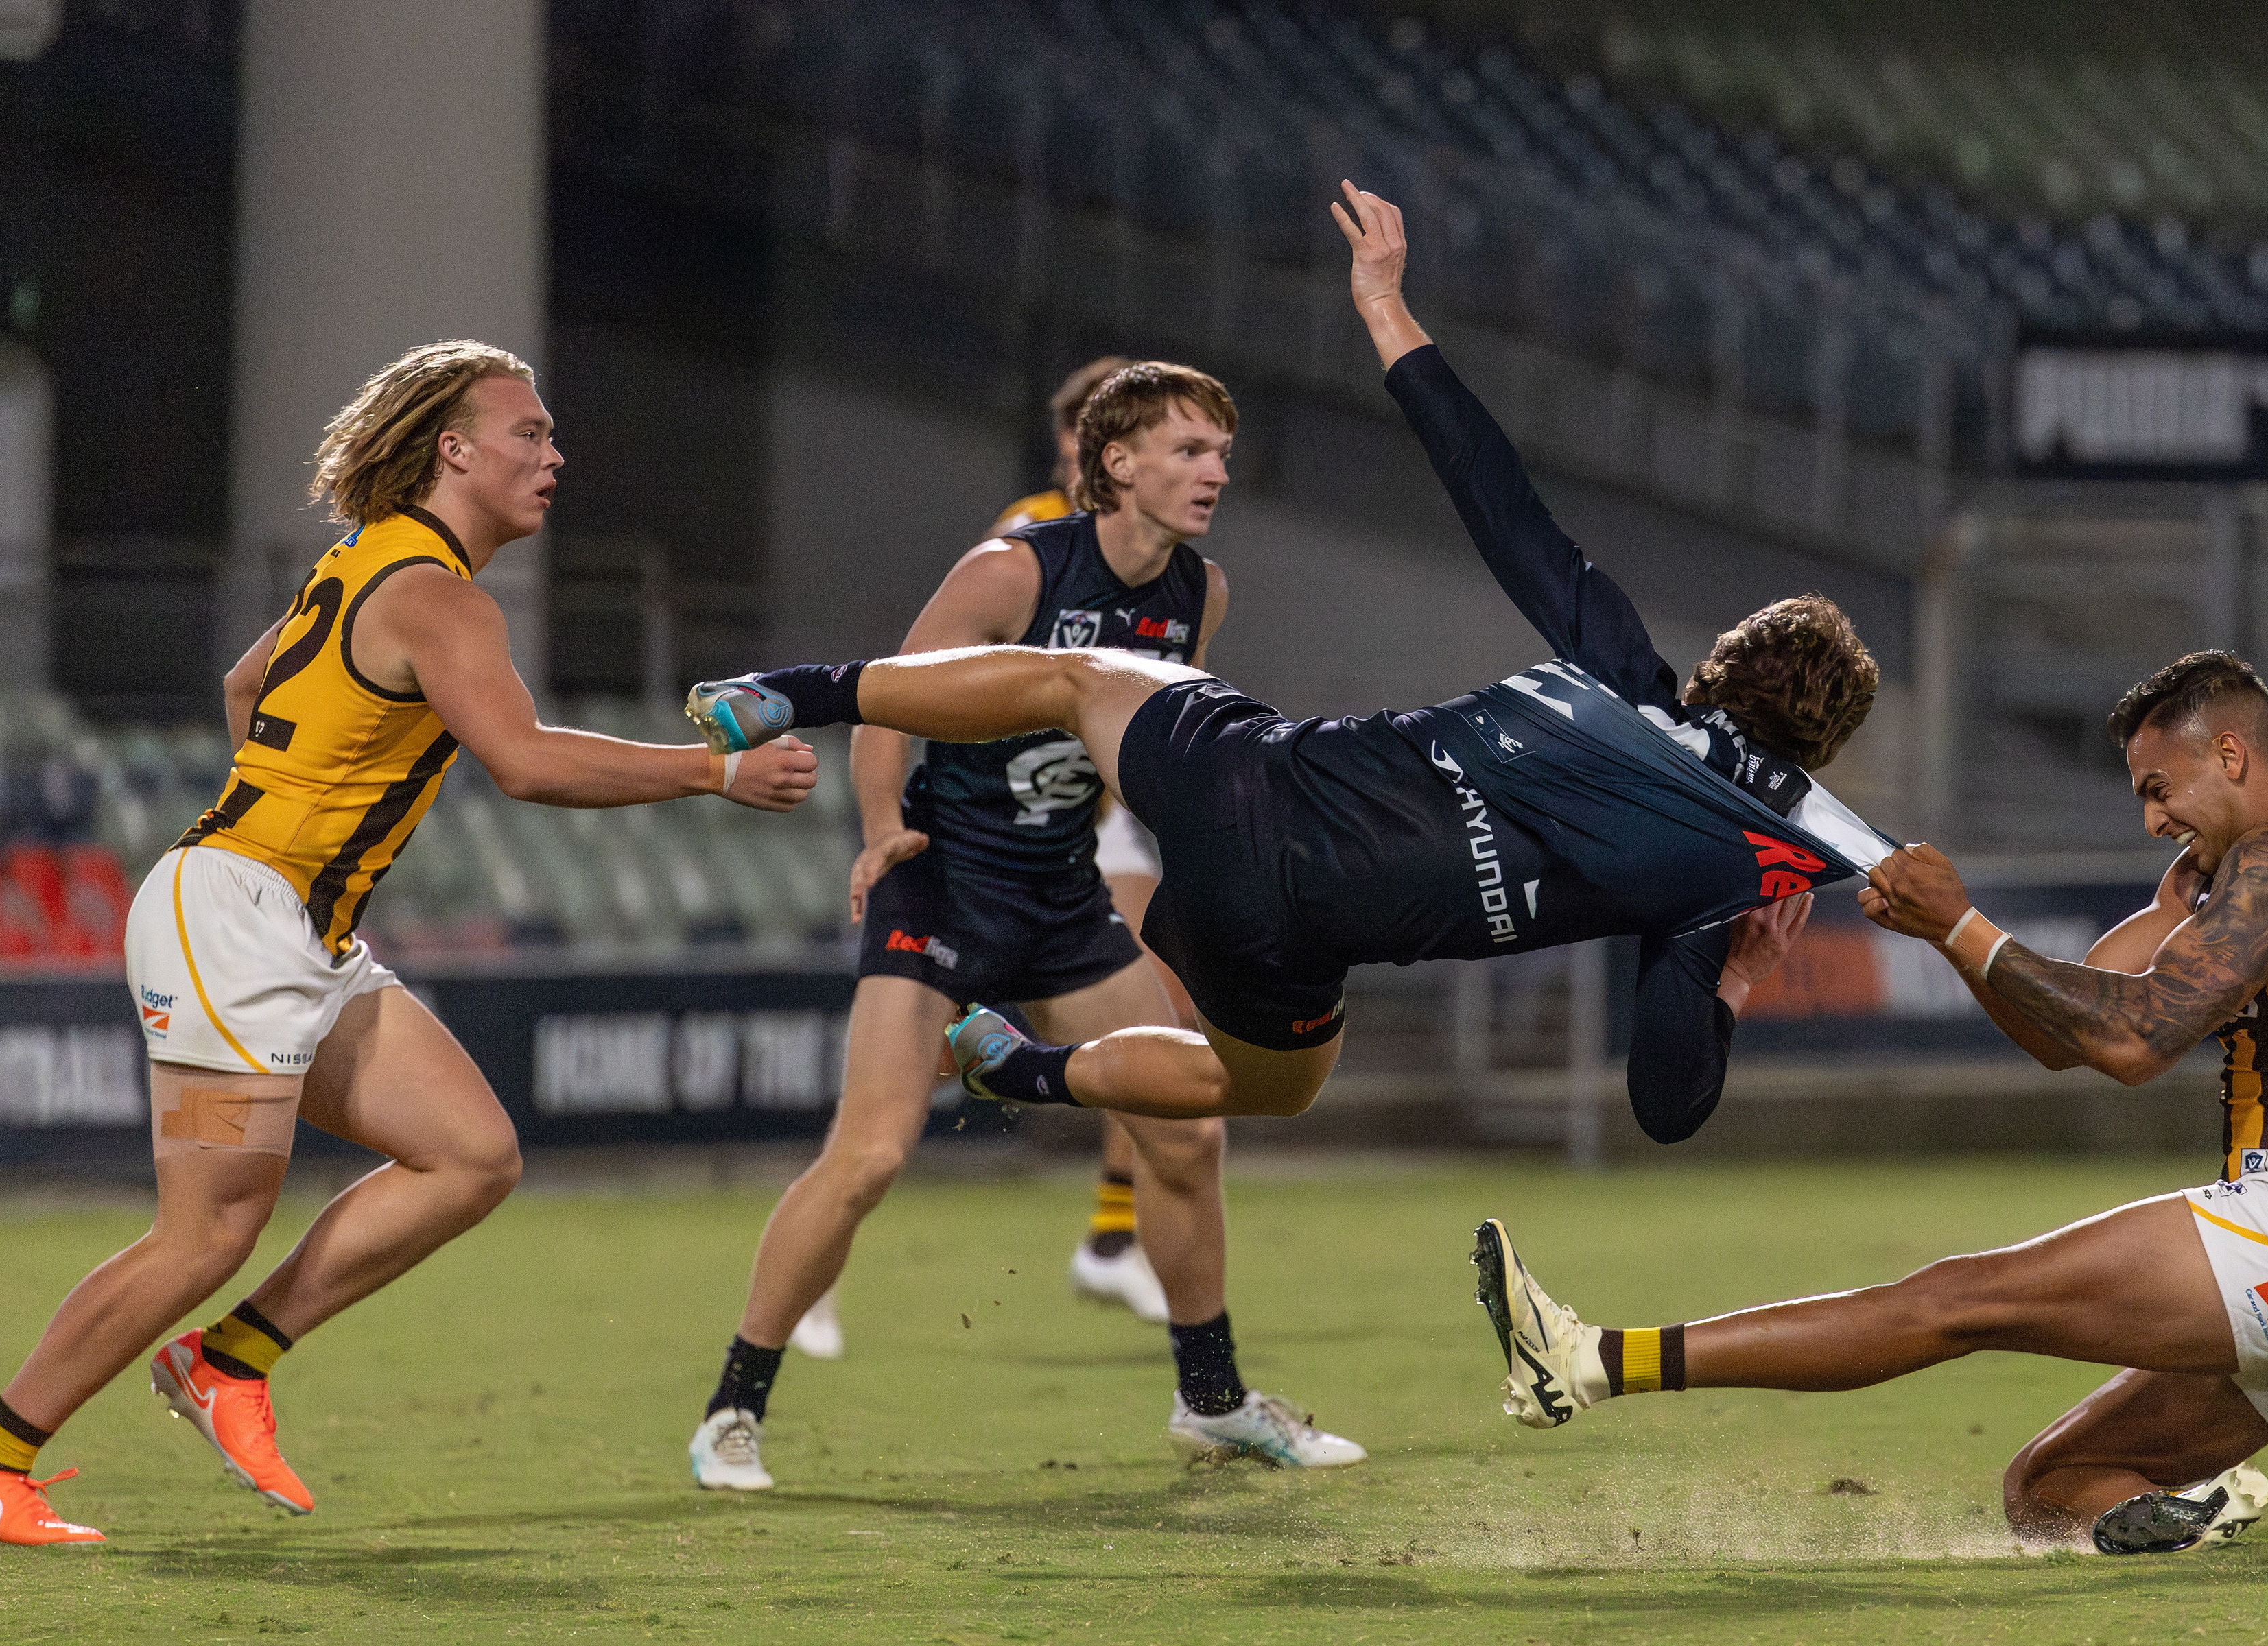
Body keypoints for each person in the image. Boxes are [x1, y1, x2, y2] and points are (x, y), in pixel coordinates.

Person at [685, 184, 1883, 1136]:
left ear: (1717, 668)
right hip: (1280, 935)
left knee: (1076, 676)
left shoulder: (1629, 681)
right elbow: (1669, 1103)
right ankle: (1025, 1072)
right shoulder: (1720, 869)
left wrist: (1387, 311)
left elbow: (1501, 502)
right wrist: (1735, 974)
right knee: (1268, 1089)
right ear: (1817, 751)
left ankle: (790, 691)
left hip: (1248, 776)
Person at [0, 342, 818, 1547]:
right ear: (455, 449)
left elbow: (247, 688)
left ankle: (230, 1360)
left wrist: (305, 847)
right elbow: (526, 762)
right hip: (235, 923)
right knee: (205, 1233)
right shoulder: (437, 592)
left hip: (283, 925)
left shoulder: (366, 559)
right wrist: (716, 772)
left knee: (470, 1155)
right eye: (531, 434)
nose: (554, 456)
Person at [1473, 649, 2268, 1555]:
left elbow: (2135, 1039)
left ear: (2230, 755)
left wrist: (1967, 925)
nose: (2153, 820)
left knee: (1959, 1300)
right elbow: (2067, 1035)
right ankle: (2197, 1518)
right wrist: (1947, 935)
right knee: (2051, 1494)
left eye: (2160, 789)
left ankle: (1591, 1360)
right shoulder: (2228, 873)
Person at [687, 359, 1365, 1491]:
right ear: (1118, 463)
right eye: (1190, 451)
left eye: (1221, 452)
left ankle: (1213, 1402)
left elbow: (1150, 746)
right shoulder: (1011, 569)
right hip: (942, 883)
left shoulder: (1200, 593)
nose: (1216, 472)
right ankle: (731, 1413)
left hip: (1062, 897)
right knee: (869, 1157)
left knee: (1188, 1134)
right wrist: (879, 831)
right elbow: (882, 699)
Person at [992, 353, 1181, 1320]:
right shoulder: (1027, 536)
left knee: (1164, 1025)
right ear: (1076, 443)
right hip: (1023, 811)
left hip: (1105, 819)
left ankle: (1115, 1235)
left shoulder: (1169, 561)